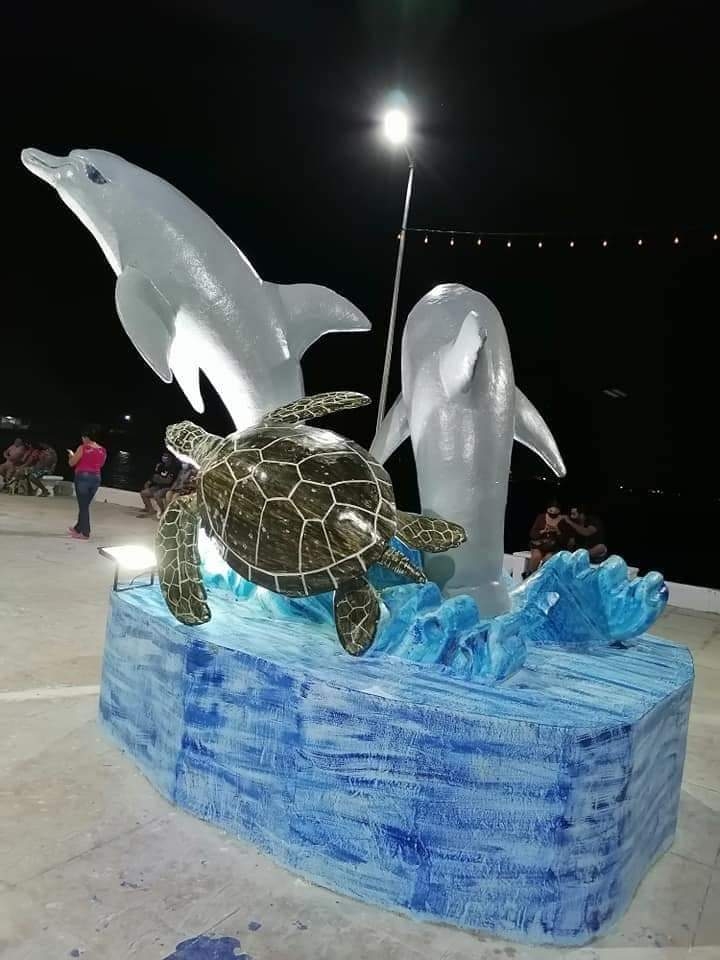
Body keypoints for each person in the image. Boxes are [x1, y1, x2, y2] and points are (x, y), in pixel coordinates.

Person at [67, 426, 107, 540]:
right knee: (85, 505)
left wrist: (71, 455)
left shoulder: (83, 447)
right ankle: (78, 528)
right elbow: (100, 465)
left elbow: (72, 463)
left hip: (83, 478)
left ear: (86, 437)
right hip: (96, 478)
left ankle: (85, 532)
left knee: (83, 506)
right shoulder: (102, 450)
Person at [526, 502, 564, 574]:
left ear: (559, 511)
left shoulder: (562, 521)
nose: (553, 513)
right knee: (537, 556)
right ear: (547, 509)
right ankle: (529, 575)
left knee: (548, 559)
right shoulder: (541, 517)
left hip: (552, 547)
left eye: (556, 511)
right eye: (551, 511)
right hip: (539, 545)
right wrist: (543, 531)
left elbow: (564, 540)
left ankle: (541, 577)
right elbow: (532, 534)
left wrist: (557, 531)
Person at [137, 452, 177, 518]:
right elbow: (154, 476)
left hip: (167, 487)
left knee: (157, 495)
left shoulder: (172, 468)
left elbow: (168, 481)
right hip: (158, 486)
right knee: (143, 493)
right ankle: (150, 509)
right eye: (163, 457)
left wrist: (158, 479)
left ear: (170, 458)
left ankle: (163, 510)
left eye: (166, 457)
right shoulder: (160, 466)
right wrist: (149, 482)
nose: (164, 458)